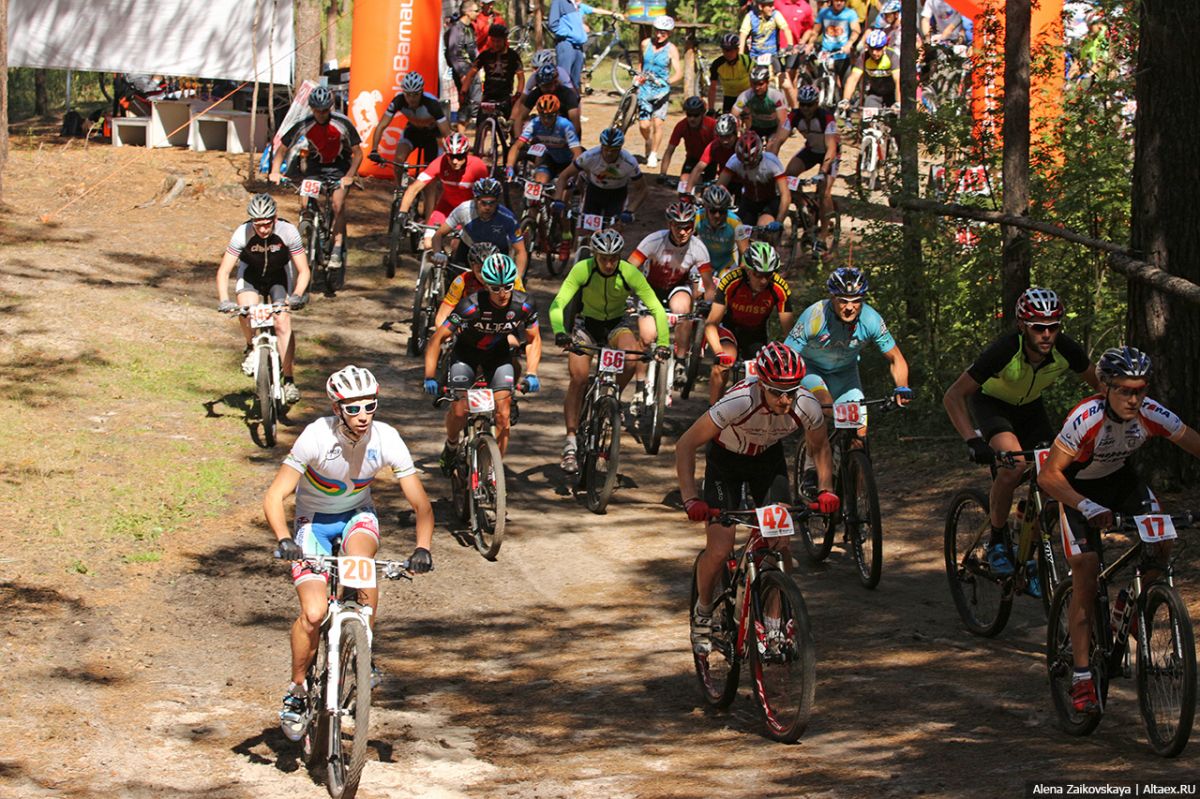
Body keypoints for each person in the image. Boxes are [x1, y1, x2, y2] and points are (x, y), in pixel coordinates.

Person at [267, 365, 434, 740]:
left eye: (370, 406)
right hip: (313, 522)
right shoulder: (316, 436)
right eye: (353, 408)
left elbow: (421, 504)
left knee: (361, 565)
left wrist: (422, 547)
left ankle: (362, 652)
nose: (363, 416)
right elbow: (275, 495)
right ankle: (297, 690)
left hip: (358, 515)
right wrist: (283, 539)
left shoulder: (387, 438)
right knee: (313, 613)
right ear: (337, 408)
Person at [1038, 346, 1200, 715]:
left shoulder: (1151, 413)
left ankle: (1133, 607)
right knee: (1086, 570)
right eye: (1125, 391)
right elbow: (1048, 476)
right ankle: (1082, 676)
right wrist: (1086, 506)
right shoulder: (1085, 418)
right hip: (1076, 489)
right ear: (1105, 388)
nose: (1134, 399)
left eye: (1140, 390)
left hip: (1120, 483)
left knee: (1164, 537)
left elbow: (1193, 442)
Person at [676, 342, 839, 655]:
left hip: (767, 461)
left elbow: (819, 446)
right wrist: (690, 498)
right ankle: (703, 611)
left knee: (780, 544)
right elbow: (685, 445)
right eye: (777, 392)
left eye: (791, 391)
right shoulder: (739, 401)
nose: (785, 400)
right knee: (720, 548)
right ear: (762, 384)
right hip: (726, 463)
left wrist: (826, 488)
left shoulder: (806, 404)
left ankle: (774, 624)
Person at [942, 287, 1100, 579]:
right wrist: (972, 440)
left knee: (1054, 475)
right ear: (1022, 326)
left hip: (1030, 409)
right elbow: (953, 395)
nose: (1047, 335)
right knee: (1013, 467)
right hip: (992, 405)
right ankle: (997, 542)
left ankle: (1026, 545)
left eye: (1054, 327)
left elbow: (1104, 389)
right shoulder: (1004, 350)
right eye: (1038, 327)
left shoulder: (1066, 349)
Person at [548, 229, 670, 473]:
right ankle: (570, 441)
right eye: (603, 258)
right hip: (586, 326)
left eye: (613, 258)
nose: (608, 263)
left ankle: (612, 399)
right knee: (579, 379)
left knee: (632, 356)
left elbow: (656, 308)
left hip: (616, 325)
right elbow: (558, 303)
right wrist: (560, 331)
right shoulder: (583, 269)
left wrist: (664, 343)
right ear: (594, 255)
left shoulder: (629, 272)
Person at [424, 253, 541, 459]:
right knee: (460, 411)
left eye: (507, 287)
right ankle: (451, 444)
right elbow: (437, 339)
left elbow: (533, 339)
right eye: (495, 288)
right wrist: (429, 376)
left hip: (498, 356)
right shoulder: (470, 306)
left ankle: (495, 469)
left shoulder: (525, 304)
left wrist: (532, 372)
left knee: (503, 414)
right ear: (486, 285)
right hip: (465, 355)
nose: (502, 293)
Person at [216, 193, 311, 404]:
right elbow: (224, 271)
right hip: (251, 275)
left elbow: (304, 270)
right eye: (258, 225)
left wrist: (297, 295)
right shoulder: (242, 233)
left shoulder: (288, 231)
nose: (263, 229)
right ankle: (251, 346)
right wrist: (224, 300)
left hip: (279, 276)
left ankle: (289, 380)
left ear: (275, 218)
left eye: (267, 224)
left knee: (282, 321)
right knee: (245, 311)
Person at [270, 86, 362, 274]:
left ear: (330, 108)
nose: (321, 114)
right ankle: (312, 231)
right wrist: (275, 171)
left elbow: (358, 153)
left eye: (325, 110)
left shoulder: (342, 123)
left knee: (337, 204)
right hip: (315, 168)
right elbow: (282, 148)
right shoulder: (304, 124)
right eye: (318, 110)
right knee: (305, 205)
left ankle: (337, 247)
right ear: (312, 109)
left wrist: (349, 176)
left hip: (339, 168)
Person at [628, 201, 715, 392]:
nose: (682, 232)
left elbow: (709, 286)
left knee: (683, 310)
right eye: (678, 226)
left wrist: (708, 304)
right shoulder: (653, 241)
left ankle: (680, 362)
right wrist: (624, 295)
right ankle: (640, 385)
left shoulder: (698, 248)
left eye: (687, 227)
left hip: (678, 288)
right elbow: (627, 269)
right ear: (670, 224)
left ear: (693, 225)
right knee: (647, 338)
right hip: (651, 290)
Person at [703, 241, 795, 402]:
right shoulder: (731, 281)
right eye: (758, 275)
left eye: (768, 275)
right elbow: (711, 324)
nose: (764, 281)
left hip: (756, 334)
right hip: (730, 329)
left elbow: (790, 333)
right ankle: (713, 411)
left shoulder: (780, 287)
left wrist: (788, 357)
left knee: (763, 374)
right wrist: (719, 353)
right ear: (747, 270)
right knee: (722, 366)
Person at [395, 133, 490, 248]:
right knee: (428, 244)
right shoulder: (439, 163)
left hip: (468, 210)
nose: (455, 161)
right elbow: (414, 188)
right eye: (451, 156)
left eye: (459, 156)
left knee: (456, 246)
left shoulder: (478, 166)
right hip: (446, 207)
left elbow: (487, 197)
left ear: (466, 154)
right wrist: (403, 212)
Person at [430, 177, 529, 278]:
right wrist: (437, 253)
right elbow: (438, 234)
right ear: (475, 200)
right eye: (483, 203)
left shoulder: (508, 218)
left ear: (497, 202)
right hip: (468, 249)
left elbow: (520, 251)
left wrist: (518, 278)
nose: (488, 207)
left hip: (497, 253)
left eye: (492, 203)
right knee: (456, 280)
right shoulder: (463, 210)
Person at [782, 84, 840, 249]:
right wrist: (770, 160)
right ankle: (804, 208)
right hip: (811, 150)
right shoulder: (794, 115)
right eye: (803, 104)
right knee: (788, 176)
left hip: (829, 154)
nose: (806, 109)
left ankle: (823, 234)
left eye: (810, 105)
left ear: (816, 103)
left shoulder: (826, 117)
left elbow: (831, 147)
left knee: (824, 192)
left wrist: (823, 171)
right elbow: (778, 140)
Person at [554, 127, 648, 226]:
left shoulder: (629, 162)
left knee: (614, 229)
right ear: (601, 146)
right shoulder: (589, 156)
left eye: (614, 150)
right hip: (594, 192)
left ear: (620, 148)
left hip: (617, 196)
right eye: (606, 148)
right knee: (585, 229)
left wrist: (630, 211)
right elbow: (564, 175)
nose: (609, 153)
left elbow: (643, 189)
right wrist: (558, 198)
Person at [368, 72, 453, 180]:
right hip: (413, 131)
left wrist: (451, 152)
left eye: (415, 94)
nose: (412, 99)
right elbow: (381, 126)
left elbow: (446, 132)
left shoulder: (432, 104)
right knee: (398, 161)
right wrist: (374, 149)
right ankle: (399, 188)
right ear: (403, 92)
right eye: (408, 94)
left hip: (432, 134)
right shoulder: (398, 101)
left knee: (430, 172)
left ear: (421, 92)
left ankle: (430, 190)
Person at [436, 242, 527, 327]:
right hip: (470, 327)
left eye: (491, 268)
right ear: (472, 268)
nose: (485, 275)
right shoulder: (462, 281)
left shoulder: (512, 279)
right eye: (480, 270)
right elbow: (442, 315)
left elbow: (524, 310)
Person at [504, 93, 584, 184]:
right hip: (550, 159)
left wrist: (570, 174)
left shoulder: (565, 125)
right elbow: (517, 146)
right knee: (539, 183)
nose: (546, 120)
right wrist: (509, 166)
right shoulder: (534, 124)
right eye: (542, 116)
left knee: (563, 186)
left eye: (550, 116)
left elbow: (577, 153)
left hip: (569, 161)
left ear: (557, 114)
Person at [637, 16, 683, 169]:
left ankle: (653, 153)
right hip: (644, 89)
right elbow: (641, 62)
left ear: (669, 33)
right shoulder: (645, 44)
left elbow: (679, 72)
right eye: (657, 31)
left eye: (663, 32)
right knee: (644, 125)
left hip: (661, 91)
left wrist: (668, 82)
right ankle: (648, 141)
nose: (659, 35)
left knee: (658, 123)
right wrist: (638, 76)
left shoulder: (671, 49)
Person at [717, 130, 791, 226]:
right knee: (739, 228)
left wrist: (779, 221)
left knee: (764, 225)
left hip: (770, 200)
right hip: (749, 200)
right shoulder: (734, 161)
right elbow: (719, 186)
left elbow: (785, 195)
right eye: (744, 163)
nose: (748, 166)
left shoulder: (771, 162)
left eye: (752, 163)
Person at [460, 23, 524, 129]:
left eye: (498, 41)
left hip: (505, 96)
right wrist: (463, 91)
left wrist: (518, 94)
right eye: (493, 41)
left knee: (512, 126)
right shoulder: (485, 55)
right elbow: (471, 74)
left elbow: (521, 78)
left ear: (505, 40)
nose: (495, 44)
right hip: (488, 96)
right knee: (480, 126)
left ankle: (515, 138)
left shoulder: (513, 56)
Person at [547, 0, 623, 89]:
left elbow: (595, 10)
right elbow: (553, 25)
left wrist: (612, 13)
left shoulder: (577, 5)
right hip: (566, 45)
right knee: (563, 81)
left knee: (575, 83)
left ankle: (575, 97)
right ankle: (562, 98)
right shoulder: (560, 2)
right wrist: (571, 34)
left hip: (578, 47)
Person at [739, 0, 797, 106]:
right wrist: (741, 55)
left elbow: (786, 29)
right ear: (761, 7)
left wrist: (790, 45)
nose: (772, 8)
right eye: (769, 6)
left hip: (773, 55)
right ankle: (744, 110)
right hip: (755, 57)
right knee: (747, 86)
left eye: (772, 5)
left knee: (787, 85)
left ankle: (795, 110)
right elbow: (743, 35)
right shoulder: (750, 16)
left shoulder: (776, 15)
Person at [694, 183, 750, 281]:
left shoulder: (736, 222)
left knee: (728, 285)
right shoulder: (697, 217)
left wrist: (742, 272)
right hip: (704, 260)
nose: (717, 215)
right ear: (705, 208)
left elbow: (745, 252)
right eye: (713, 210)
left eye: (722, 211)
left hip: (727, 263)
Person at [730, 65, 789, 154]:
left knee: (771, 148)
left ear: (767, 82)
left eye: (760, 84)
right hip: (756, 127)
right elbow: (733, 115)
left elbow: (782, 121)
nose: (757, 87)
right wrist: (740, 130)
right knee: (748, 150)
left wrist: (776, 139)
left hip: (774, 127)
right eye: (754, 84)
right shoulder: (745, 96)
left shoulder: (776, 96)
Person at [512, 64, 583, 135]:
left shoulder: (568, 94)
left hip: (564, 129)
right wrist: (518, 138)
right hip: (546, 128)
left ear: (555, 82)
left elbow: (575, 121)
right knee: (527, 125)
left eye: (548, 85)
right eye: (543, 86)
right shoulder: (536, 93)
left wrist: (570, 139)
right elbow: (520, 117)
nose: (546, 88)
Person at [659, 97, 716, 183]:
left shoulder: (712, 124)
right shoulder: (681, 126)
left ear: (702, 114)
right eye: (689, 115)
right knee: (684, 180)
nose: (692, 119)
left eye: (696, 115)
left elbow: (721, 148)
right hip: (692, 158)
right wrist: (662, 174)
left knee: (707, 185)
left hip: (710, 160)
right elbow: (670, 150)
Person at [806, 0, 862, 89]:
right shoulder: (824, 12)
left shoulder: (850, 13)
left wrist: (849, 44)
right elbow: (815, 31)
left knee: (845, 85)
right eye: (836, 0)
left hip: (842, 54)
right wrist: (810, 44)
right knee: (821, 85)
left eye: (841, 1)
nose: (839, 3)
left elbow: (856, 31)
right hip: (826, 54)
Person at [840, 29, 900, 110]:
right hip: (875, 94)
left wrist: (898, 102)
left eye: (878, 48)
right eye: (871, 48)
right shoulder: (864, 57)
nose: (874, 52)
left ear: (884, 47)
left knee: (894, 115)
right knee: (869, 115)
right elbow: (853, 79)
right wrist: (845, 100)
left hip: (893, 94)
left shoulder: (892, 56)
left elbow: (898, 80)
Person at [445, 4, 482, 132]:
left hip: (472, 70)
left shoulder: (470, 28)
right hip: (463, 71)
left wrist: (479, 66)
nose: (478, 13)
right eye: (476, 10)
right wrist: (461, 74)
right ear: (467, 12)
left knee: (474, 100)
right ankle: (461, 134)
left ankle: (466, 132)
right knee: (467, 102)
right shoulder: (456, 29)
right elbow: (453, 54)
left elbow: (473, 50)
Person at [685, 113, 740, 194]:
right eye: (721, 137)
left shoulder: (742, 146)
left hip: (743, 182)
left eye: (728, 136)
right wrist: (687, 192)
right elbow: (698, 169)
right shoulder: (714, 146)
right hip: (724, 180)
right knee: (708, 193)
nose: (725, 141)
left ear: (735, 134)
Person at [708, 33, 754, 115]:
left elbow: (755, 81)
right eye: (725, 50)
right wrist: (711, 109)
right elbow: (712, 88)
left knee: (748, 118)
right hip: (729, 97)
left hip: (746, 96)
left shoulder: (746, 61)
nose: (728, 53)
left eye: (730, 50)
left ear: (737, 50)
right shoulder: (717, 64)